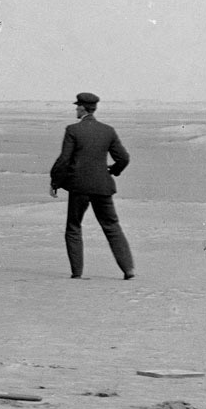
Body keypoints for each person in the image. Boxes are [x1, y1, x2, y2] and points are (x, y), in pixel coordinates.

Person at [49, 92, 135, 280]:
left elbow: (64, 160)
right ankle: (128, 270)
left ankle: (77, 273)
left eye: (77, 106)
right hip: (103, 186)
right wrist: (113, 171)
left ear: (82, 108)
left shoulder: (73, 130)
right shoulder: (108, 130)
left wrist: (55, 181)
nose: (75, 109)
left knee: (73, 227)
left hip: (79, 187)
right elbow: (124, 158)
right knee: (112, 226)